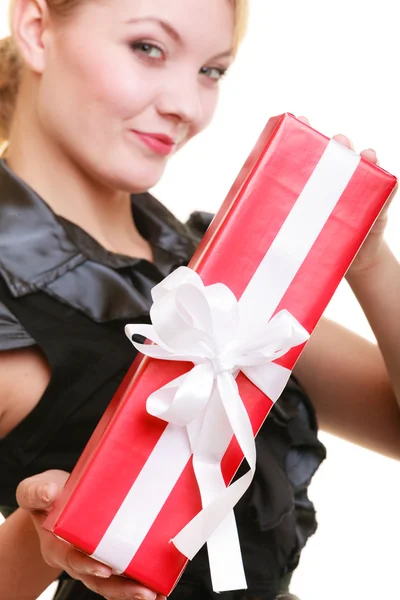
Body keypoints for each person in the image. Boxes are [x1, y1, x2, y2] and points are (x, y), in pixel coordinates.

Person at [0, 0, 399, 599]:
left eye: (211, 71)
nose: (186, 106)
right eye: (148, 48)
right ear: (36, 30)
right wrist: (47, 535)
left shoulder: (222, 266)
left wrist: (366, 259)